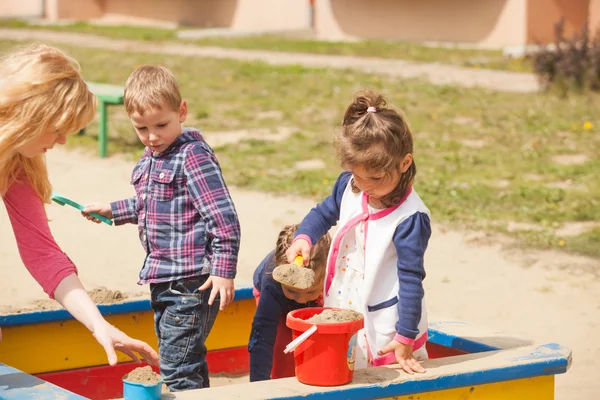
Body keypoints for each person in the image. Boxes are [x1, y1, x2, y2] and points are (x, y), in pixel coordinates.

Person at [83, 64, 241, 391]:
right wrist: (113, 210)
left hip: (191, 281)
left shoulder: (192, 156)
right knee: (186, 359)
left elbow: (223, 216)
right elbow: (149, 204)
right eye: (141, 128)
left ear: (181, 112)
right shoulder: (152, 156)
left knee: (176, 368)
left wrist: (224, 270)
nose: (152, 136)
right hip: (164, 279)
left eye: (161, 125)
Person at [0, 43, 159, 366]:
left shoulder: (18, 164)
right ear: (29, 117)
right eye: (58, 130)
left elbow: (42, 254)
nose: (61, 142)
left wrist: (99, 324)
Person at [286, 90, 431, 375]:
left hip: (387, 322)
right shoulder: (348, 186)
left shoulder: (409, 218)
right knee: (345, 367)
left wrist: (405, 337)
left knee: (383, 376)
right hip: (344, 300)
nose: (364, 185)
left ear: (404, 163)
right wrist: (304, 238)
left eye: (375, 178)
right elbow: (322, 213)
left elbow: (411, 281)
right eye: (357, 174)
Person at [248, 224, 331, 382]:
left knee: (315, 344)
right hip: (277, 298)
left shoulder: (332, 274)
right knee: (283, 349)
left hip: (315, 301)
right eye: (293, 291)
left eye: (310, 291)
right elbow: (261, 338)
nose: (301, 299)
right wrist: (258, 386)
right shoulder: (273, 283)